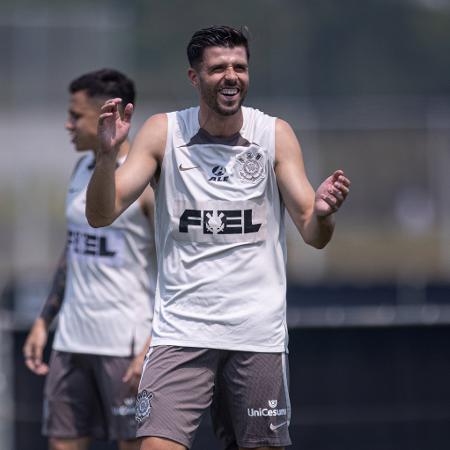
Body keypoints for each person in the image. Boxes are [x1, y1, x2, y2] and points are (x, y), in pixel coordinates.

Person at [86, 26, 351, 450]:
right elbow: (101, 214)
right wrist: (104, 158)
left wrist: (323, 213)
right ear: (195, 78)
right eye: (218, 68)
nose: (231, 76)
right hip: (181, 332)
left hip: (256, 334)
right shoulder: (163, 132)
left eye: (239, 67)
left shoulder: (274, 135)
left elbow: (314, 233)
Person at [23, 69, 157, 450]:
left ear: (107, 116)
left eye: (76, 115)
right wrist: (43, 321)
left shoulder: (145, 182)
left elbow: (176, 270)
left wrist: (151, 344)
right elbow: (74, 246)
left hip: (125, 347)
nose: (68, 125)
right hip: (71, 341)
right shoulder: (81, 168)